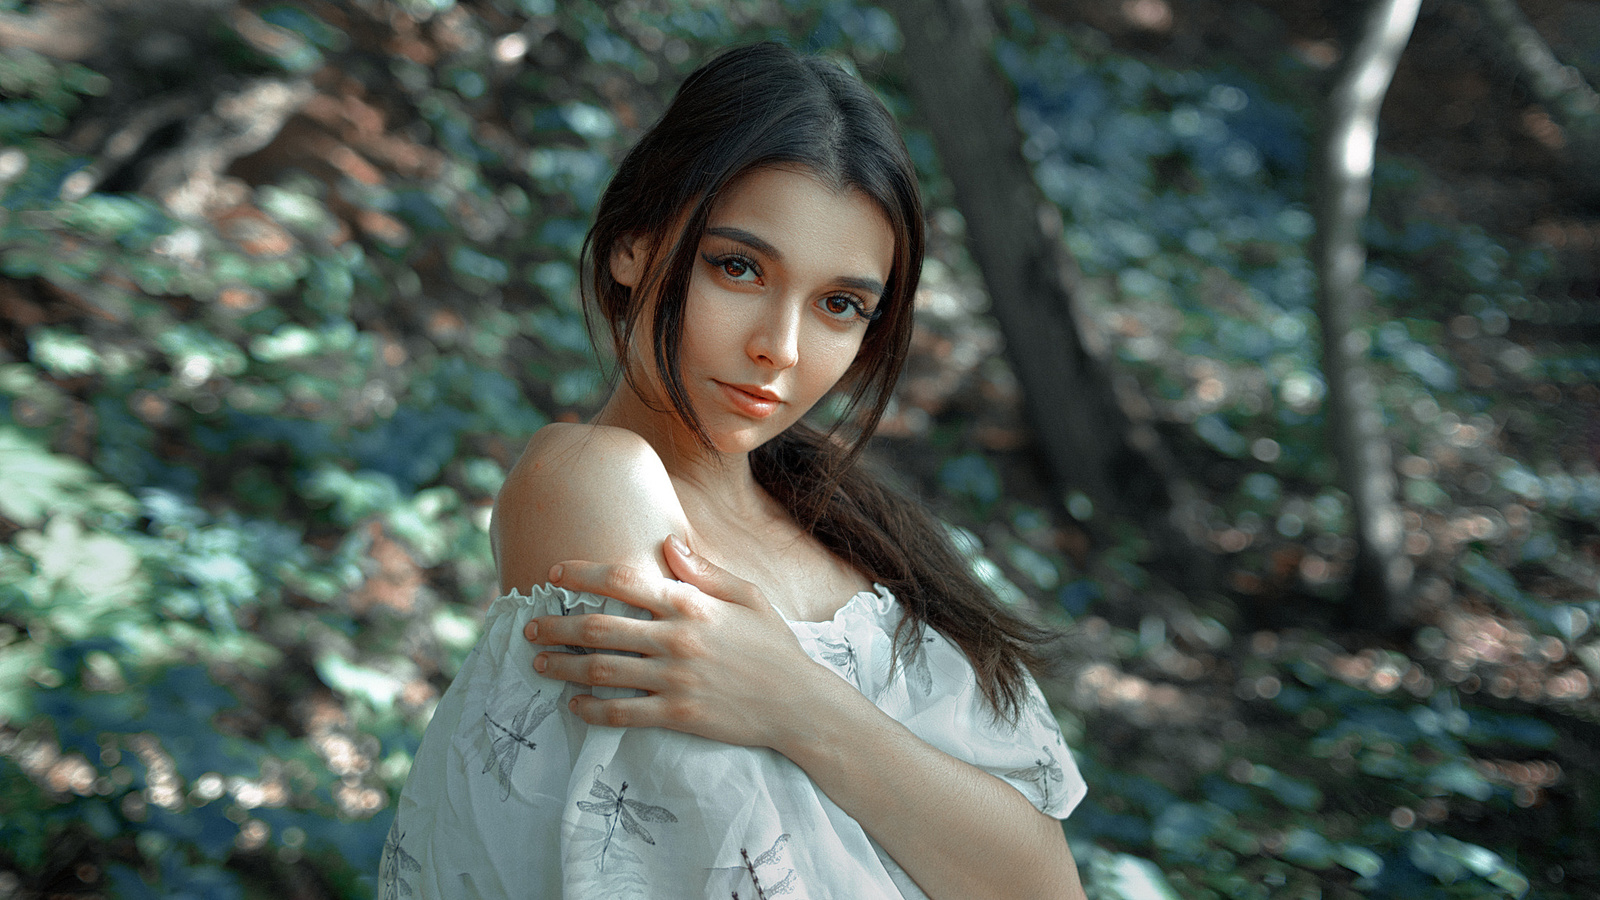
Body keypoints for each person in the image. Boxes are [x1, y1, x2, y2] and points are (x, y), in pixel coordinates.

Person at [380, 41, 1086, 900]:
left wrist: (799, 702)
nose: (778, 350)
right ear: (633, 244)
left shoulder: (861, 531)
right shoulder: (595, 484)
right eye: (739, 266)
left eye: (840, 305)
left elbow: (1047, 883)